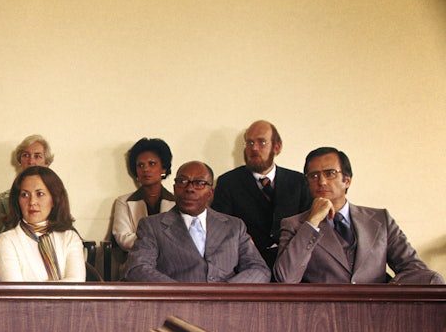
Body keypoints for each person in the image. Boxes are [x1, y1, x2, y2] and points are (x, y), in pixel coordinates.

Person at [273, 147, 444, 285]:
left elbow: (415, 269)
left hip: (379, 310)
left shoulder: (380, 219)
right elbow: (286, 278)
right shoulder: (293, 224)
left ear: (347, 180)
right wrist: (312, 222)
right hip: (324, 314)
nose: (322, 181)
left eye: (330, 173)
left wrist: (388, 288)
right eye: (314, 176)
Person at [125, 161, 271, 283]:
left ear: (210, 193)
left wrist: (226, 292)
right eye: (182, 181)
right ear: (174, 188)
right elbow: (137, 268)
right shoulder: (152, 226)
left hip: (227, 304)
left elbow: (259, 269)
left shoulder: (234, 226)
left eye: (199, 183)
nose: (189, 189)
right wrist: (181, 293)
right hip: (177, 304)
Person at [211, 120, 312, 267]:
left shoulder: (299, 182)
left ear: (277, 147)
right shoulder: (227, 183)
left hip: (292, 263)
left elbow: (308, 226)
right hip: (246, 264)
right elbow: (221, 229)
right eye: (249, 143)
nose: (254, 148)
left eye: (262, 142)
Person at [0, 166, 85, 282]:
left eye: (40, 194)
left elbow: (76, 284)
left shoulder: (70, 237)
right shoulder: (6, 241)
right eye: (25, 195)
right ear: (17, 201)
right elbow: (16, 290)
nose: (32, 202)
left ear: (54, 199)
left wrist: (36, 288)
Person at [110, 137, 176, 251]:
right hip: (137, 256)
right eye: (140, 165)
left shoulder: (177, 201)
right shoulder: (123, 202)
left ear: (164, 169)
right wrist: (157, 243)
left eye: (152, 163)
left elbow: (180, 237)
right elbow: (123, 238)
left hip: (171, 257)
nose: (145, 169)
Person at [0, 134, 54, 237]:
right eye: (26, 155)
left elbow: (64, 227)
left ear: (46, 162)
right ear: (20, 160)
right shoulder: (4, 200)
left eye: (37, 156)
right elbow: (5, 236)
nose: (31, 161)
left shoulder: (56, 195)